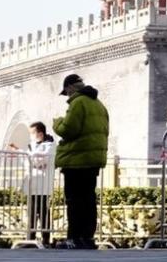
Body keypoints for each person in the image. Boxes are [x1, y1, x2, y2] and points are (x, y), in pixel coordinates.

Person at [53, 74, 110, 250]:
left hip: (76, 159)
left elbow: (69, 129)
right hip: (93, 160)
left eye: (66, 92)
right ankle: (87, 237)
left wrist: (57, 123)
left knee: (75, 200)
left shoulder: (78, 103)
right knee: (88, 199)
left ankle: (74, 238)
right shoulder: (99, 104)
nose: (67, 97)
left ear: (70, 87)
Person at [11, 122, 56, 246]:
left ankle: (46, 239)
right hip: (32, 183)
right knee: (31, 211)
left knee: (43, 212)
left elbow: (40, 160)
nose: (30, 136)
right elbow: (28, 161)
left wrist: (27, 155)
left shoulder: (50, 145)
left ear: (40, 133)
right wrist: (20, 152)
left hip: (43, 183)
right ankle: (30, 238)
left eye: (32, 133)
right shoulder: (31, 146)